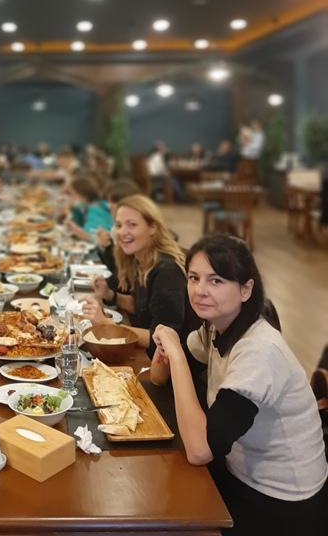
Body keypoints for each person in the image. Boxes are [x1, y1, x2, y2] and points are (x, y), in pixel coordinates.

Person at [153, 235, 327, 536]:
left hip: (283, 502)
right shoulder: (216, 327)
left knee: (167, 510)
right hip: (240, 469)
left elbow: (200, 450)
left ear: (246, 289)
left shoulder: (259, 351)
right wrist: (168, 348)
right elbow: (159, 377)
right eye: (194, 278)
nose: (200, 290)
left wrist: (176, 354)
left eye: (216, 280)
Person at [82, 195, 196, 363]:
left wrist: (106, 325)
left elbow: (163, 339)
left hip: (173, 364)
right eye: (119, 225)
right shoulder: (141, 259)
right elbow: (142, 307)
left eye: (132, 225)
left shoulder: (167, 272)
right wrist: (110, 295)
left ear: (153, 227)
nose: (122, 232)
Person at [65, 173, 113, 241]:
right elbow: (80, 223)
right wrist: (74, 209)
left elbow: (93, 237)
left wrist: (77, 230)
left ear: (82, 195)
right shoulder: (97, 203)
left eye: (73, 195)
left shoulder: (95, 210)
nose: (71, 198)